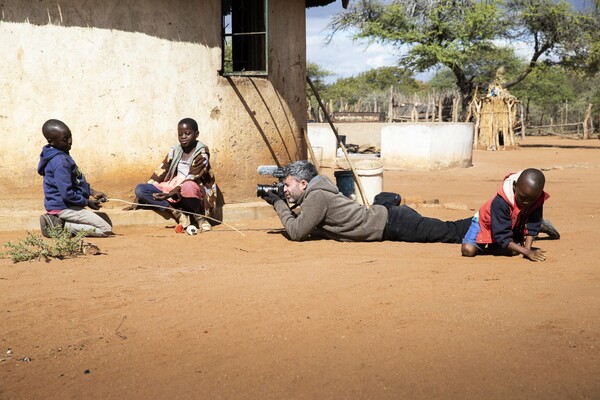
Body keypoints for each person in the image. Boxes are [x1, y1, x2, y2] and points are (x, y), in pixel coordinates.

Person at [260, 160, 472, 244]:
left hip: (393, 224)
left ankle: (490, 222)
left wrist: (279, 203)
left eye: (287, 185)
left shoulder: (317, 197)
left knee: (450, 232)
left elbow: (297, 232)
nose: (284, 189)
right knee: (448, 230)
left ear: (304, 184)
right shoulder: (316, 193)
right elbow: (306, 223)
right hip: (385, 218)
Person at [134, 118, 216, 232]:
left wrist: (172, 193)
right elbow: (162, 169)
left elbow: (193, 176)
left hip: (193, 186)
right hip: (173, 185)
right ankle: (177, 213)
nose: (183, 137)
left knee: (188, 187)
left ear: (196, 134)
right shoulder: (175, 150)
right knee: (141, 189)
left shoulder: (202, 153)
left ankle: (200, 217)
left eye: (188, 133)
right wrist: (142, 196)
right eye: (180, 134)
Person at [37, 119, 113, 238]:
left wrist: (92, 192)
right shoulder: (60, 162)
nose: (70, 141)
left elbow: (75, 181)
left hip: (66, 205)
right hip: (63, 207)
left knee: (105, 221)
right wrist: (86, 202)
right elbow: (67, 193)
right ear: (51, 141)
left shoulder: (60, 153)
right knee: (105, 229)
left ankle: (61, 222)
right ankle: (61, 226)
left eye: (70, 136)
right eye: (65, 139)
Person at [461, 168, 550, 262]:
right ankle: (494, 244)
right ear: (515, 186)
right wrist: (527, 252)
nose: (527, 203)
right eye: (523, 197)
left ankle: (495, 245)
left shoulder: (536, 198)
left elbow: (533, 224)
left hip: (508, 224)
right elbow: (502, 235)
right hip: (485, 222)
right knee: (468, 250)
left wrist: (527, 251)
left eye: (532, 200)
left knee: (514, 251)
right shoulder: (501, 202)